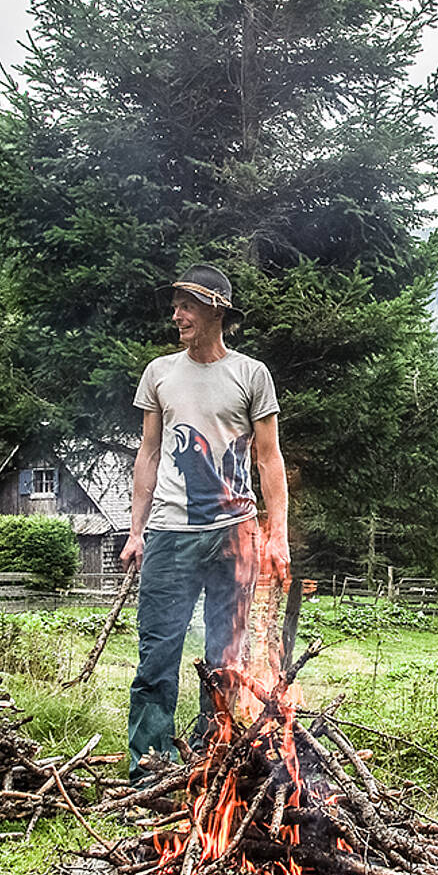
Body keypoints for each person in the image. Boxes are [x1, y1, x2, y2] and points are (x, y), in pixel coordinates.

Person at [120, 264, 289, 783]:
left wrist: (276, 533)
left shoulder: (251, 374)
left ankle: (211, 761)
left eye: (187, 305)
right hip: (170, 536)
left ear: (216, 309)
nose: (177, 316)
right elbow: (147, 454)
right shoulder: (160, 372)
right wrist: (135, 531)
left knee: (224, 659)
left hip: (235, 535)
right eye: (175, 305)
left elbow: (269, 459)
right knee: (157, 658)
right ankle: (150, 771)